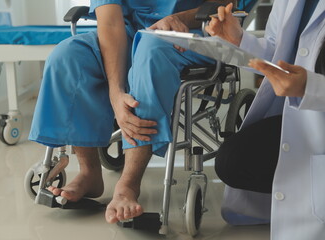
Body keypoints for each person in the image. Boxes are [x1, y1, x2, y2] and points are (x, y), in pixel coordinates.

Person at [29, 0, 250, 224]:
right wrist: (116, 94)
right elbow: (110, 21)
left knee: (150, 51)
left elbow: (227, 3)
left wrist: (181, 18)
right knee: (67, 56)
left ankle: (129, 184)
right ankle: (89, 173)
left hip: (197, 31)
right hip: (133, 31)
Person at [205, 0, 325, 239]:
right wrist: (239, 40)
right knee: (234, 162)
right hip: (308, 114)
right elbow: (277, 52)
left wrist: (312, 88)